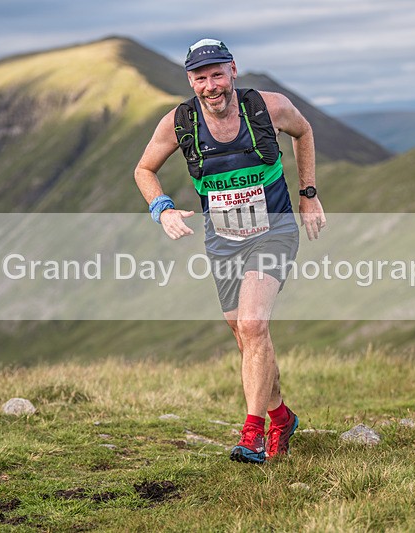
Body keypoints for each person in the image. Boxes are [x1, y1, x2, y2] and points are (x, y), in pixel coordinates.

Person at [134, 38, 326, 464]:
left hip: (274, 231)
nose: (211, 86)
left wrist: (308, 193)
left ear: (233, 71)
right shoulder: (179, 123)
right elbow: (144, 169)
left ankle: (253, 434)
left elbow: (304, 131)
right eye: (201, 78)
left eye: (217, 74)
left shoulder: (268, 107)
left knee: (254, 325)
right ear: (191, 80)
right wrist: (161, 209)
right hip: (222, 244)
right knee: (247, 337)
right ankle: (281, 418)